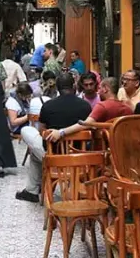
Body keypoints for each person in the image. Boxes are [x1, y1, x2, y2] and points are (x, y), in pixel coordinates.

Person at [15, 73, 91, 203]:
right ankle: (31, 190)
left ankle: (31, 191)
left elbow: (42, 131)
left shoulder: (48, 106)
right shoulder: (86, 106)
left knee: (26, 132)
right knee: (35, 155)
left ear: (57, 88)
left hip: (54, 154)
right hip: (78, 153)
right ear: (74, 86)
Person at [53, 77, 133, 141]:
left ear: (105, 89)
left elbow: (85, 125)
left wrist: (61, 132)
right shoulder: (128, 108)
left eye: (100, 88)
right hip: (123, 149)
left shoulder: (102, 106)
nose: (98, 92)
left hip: (103, 149)